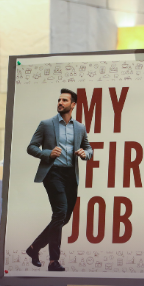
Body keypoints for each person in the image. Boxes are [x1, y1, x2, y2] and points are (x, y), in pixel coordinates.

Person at [24, 88, 94, 272]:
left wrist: (84, 153)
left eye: (64, 100)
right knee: (60, 212)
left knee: (64, 218)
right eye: (59, 99)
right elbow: (31, 147)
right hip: (53, 173)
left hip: (71, 175)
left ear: (73, 105)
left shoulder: (79, 127)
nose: (60, 103)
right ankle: (54, 261)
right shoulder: (46, 124)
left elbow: (89, 148)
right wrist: (47, 153)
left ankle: (34, 248)